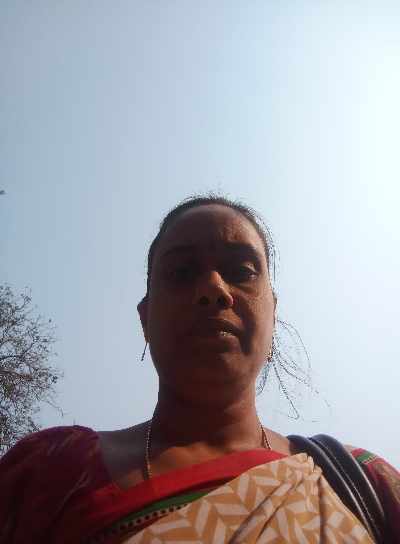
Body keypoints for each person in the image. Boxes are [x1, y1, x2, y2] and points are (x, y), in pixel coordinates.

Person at [1, 195, 399, 544]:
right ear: (145, 318)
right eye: (180, 273)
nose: (213, 288)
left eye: (241, 271)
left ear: (273, 314)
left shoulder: (365, 486)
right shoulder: (49, 472)